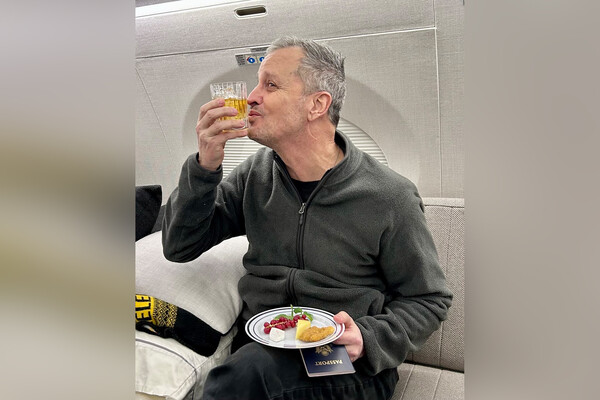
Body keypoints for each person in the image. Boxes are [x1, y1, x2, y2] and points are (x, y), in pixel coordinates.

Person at [162, 36, 452, 400]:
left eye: (270, 85)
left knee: (243, 377)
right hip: (262, 344)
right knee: (247, 370)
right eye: (256, 84)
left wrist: (368, 338)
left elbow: (429, 299)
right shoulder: (254, 176)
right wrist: (204, 167)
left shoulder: (389, 197)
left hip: (340, 357)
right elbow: (179, 246)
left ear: (318, 104)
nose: (251, 97)